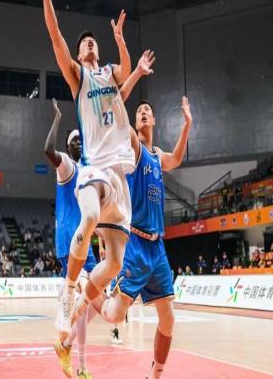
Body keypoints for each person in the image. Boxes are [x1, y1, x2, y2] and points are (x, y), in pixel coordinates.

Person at [38, 0, 157, 342]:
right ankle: (67, 293)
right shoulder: (79, 77)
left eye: (92, 40)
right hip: (95, 169)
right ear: (79, 54)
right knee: (88, 217)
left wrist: (121, 42)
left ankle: (74, 315)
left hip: (120, 177)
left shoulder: (109, 75)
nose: (89, 42)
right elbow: (55, 36)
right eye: (83, 42)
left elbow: (125, 73)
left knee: (114, 264)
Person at [98, 97, 192, 379]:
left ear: (153, 120)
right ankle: (92, 293)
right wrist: (114, 94)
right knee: (115, 315)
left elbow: (176, 159)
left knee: (169, 319)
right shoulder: (134, 148)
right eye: (139, 111)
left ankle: (155, 375)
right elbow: (123, 125)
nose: (142, 113)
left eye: (147, 111)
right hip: (135, 244)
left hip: (157, 247)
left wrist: (188, 123)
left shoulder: (158, 155)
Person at [44, 99, 99, 379]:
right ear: (68, 148)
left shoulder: (88, 172)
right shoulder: (67, 166)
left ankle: (64, 345)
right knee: (85, 300)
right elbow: (47, 150)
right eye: (74, 141)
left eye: (81, 140)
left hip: (86, 239)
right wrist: (57, 118)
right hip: (69, 240)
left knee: (98, 300)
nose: (79, 143)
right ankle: (82, 366)